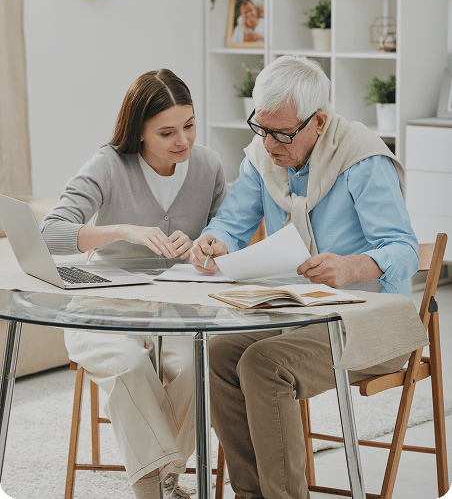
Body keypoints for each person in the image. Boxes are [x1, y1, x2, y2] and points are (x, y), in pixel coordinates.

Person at [190, 55, 419, 499]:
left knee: (263, 363)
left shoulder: (362, 158)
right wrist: (213, 242)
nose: (270, 144)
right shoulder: (263, 157)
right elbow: (230, 226)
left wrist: (351, 266)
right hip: (301, 314)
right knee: (218, 353)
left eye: (281, 133)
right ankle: (251, 494)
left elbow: (403, 249)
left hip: (373, 322)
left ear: (319, 121)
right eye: (261, 128)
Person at [41, 69, 227, 499]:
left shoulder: (209, 166)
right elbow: (51, 232)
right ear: (139, 132)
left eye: (189, 125)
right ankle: (156, 488)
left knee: (197, 366)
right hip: (104, 301)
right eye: (166, 132)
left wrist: (203, 244)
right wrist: (121, 230)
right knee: (129, 364)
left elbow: (227, 234)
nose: (182, 140)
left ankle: (159, 480)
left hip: (180, 305)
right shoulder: (108, 163)